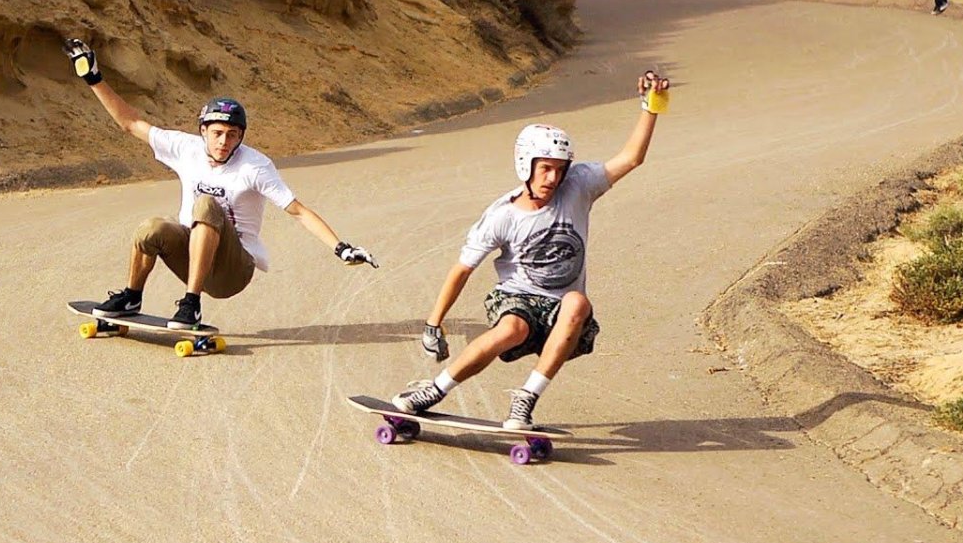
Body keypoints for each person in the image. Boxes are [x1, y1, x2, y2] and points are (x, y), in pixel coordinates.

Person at [390, 71, 671, 430]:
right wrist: (434, 323)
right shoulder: (502, 216)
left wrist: (652, 105)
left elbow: (632, 158)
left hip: (560, 307)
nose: (553, 179)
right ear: (526, 165)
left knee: (578, 303)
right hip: (516, 297)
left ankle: (525, 400)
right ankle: (434, 390)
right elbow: (462, 270)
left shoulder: (579, 187)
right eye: (546, 169)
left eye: (559, 170)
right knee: (511, 329)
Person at [61, 38, 378, 328]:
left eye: (232, 135)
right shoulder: (185, 148)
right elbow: (131, 123)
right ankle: (131, 296)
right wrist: (94, 79)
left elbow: (298, 211)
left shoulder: (255, 166)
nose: (224, 142)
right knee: (150, 228)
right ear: (203, 131)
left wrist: (341, 248)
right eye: (217, 133)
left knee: (207, 205)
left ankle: (191, 304)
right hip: (191, 254)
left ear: (241, 137)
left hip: (232, 271)